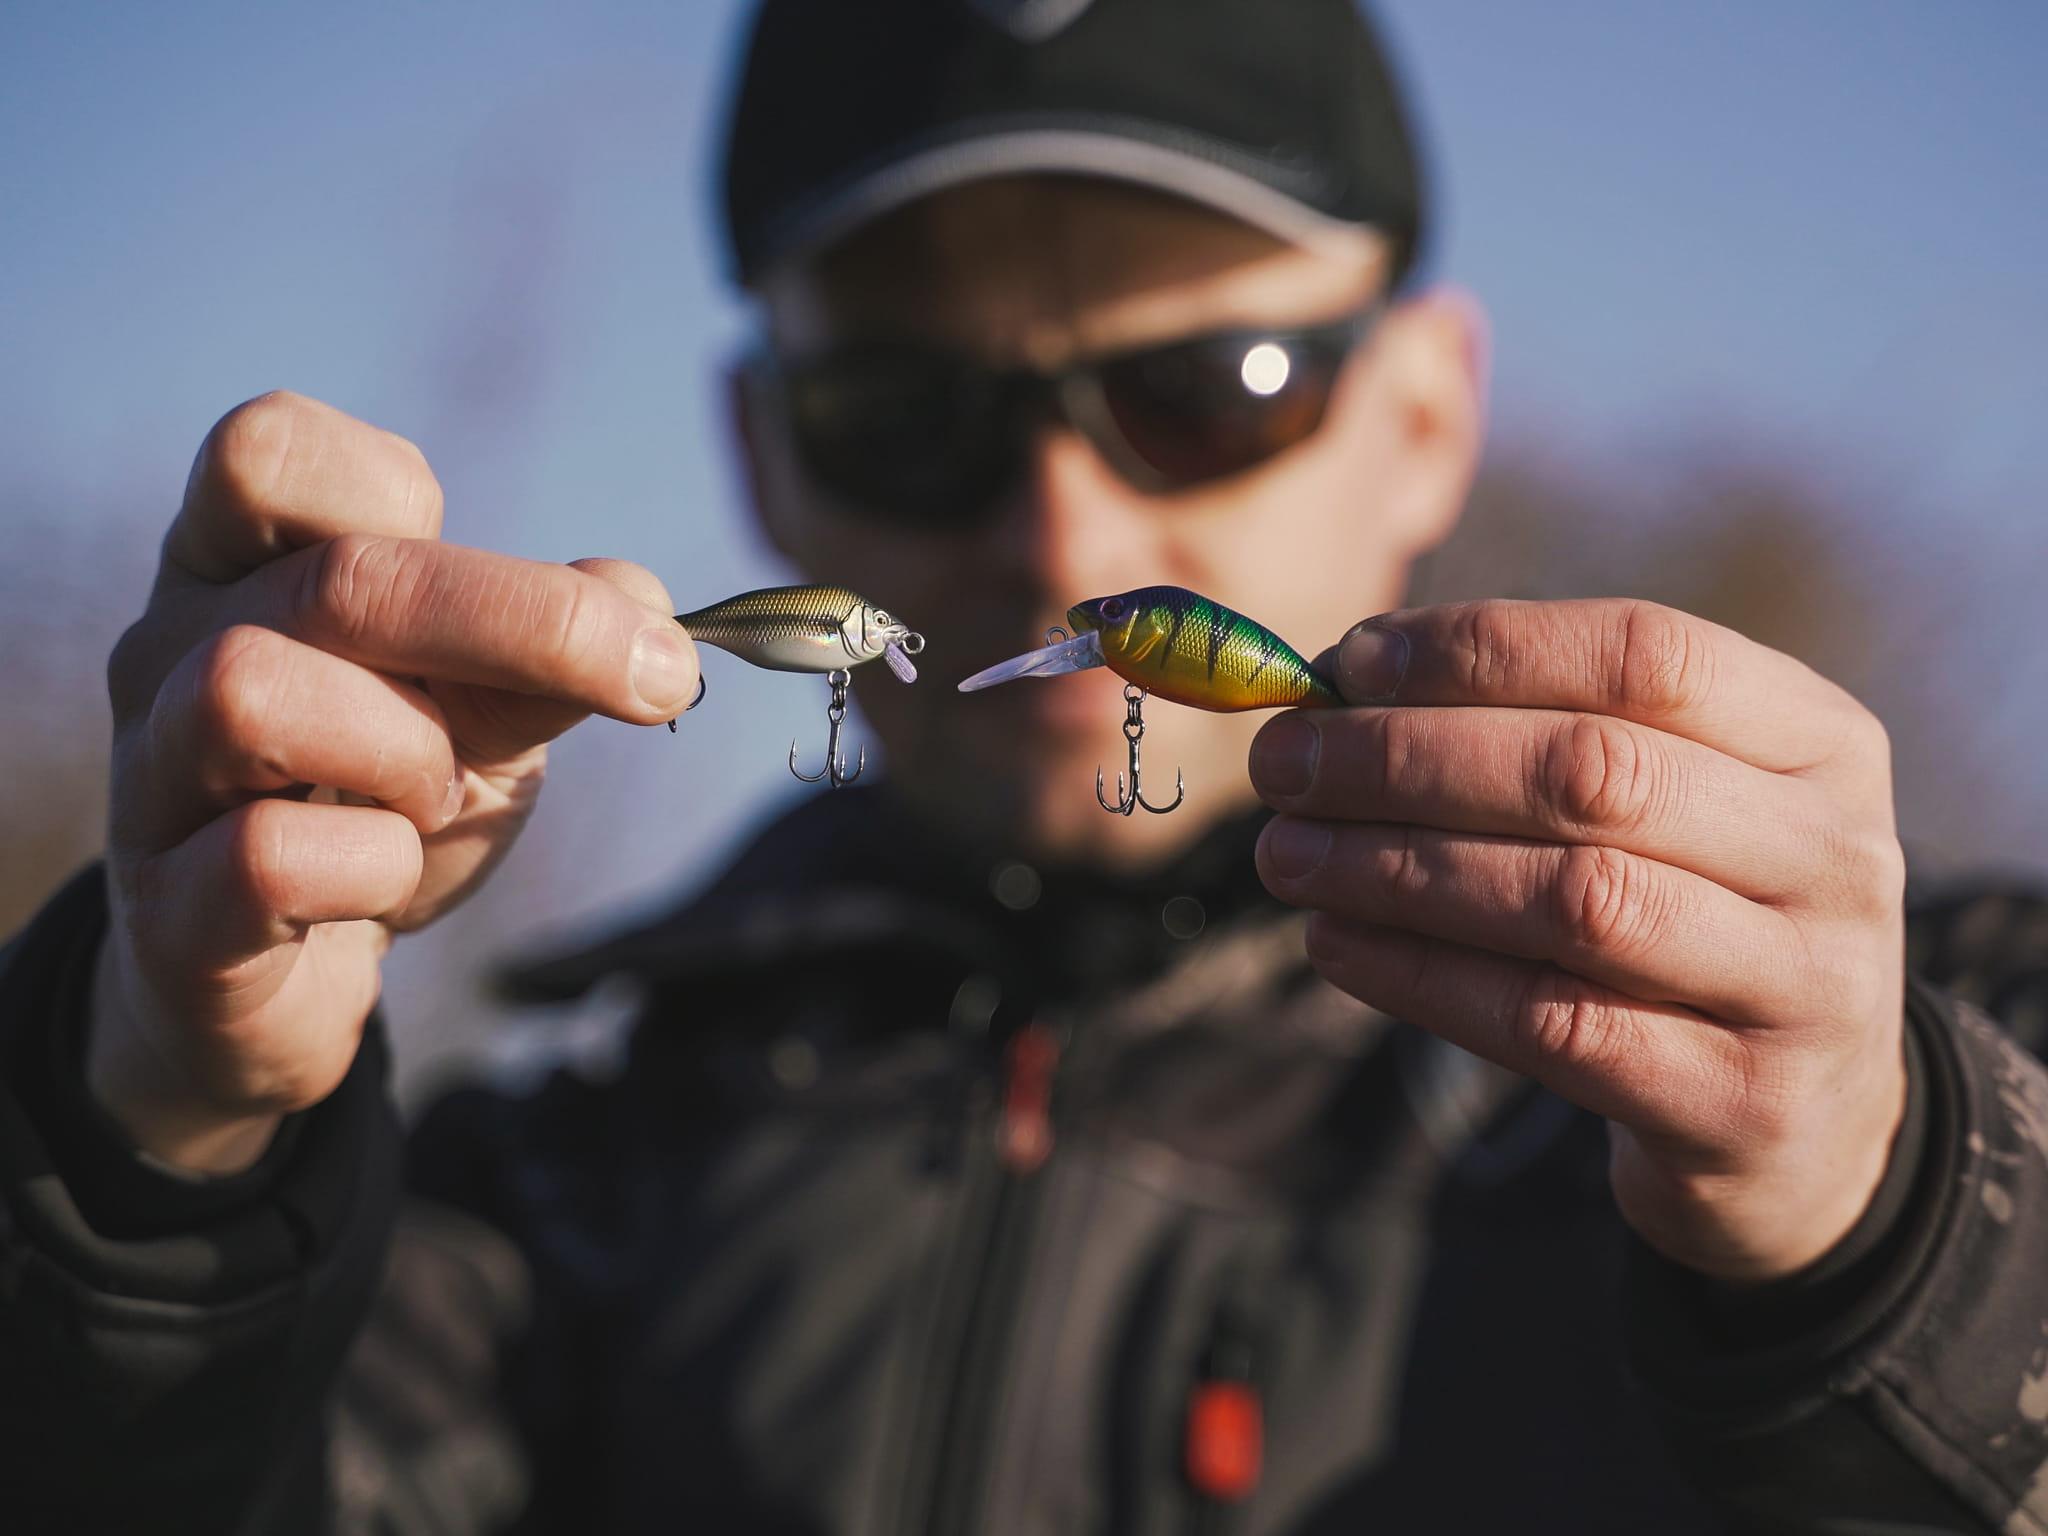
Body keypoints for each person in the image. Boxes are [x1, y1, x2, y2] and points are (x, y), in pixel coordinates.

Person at [3, 0, 2046, 1530]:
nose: (1063, 531)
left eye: (1210, 385)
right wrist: (151, 1150)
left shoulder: (1920, 1034)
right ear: (762, 455)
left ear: (1427, 415)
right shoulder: (547, 1206)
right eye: (911, 413)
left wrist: (1887, 1230)